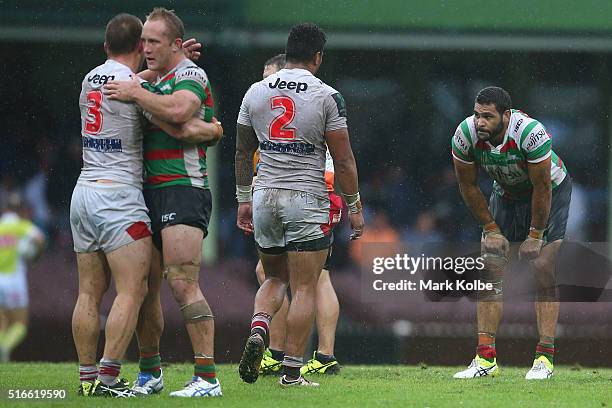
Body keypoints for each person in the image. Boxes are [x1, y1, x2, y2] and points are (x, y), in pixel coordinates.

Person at [73, 13, 220, 398]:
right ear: (138, 47)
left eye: (158, 41)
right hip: (125, 196)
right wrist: (214, 130)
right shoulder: (134, 85)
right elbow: (178, 122)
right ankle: (137, 374)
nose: (150, 48)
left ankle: (206, 377)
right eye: (147, 42)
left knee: (170, 284)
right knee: (138, 290)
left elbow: (174, 108)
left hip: (145, 190)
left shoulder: (93, 79)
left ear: (106, 47)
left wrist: (161, 71)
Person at [235, 23, 364, 387]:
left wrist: (243, 199)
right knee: (305, 287)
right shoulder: (328, 96)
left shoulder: (255, 91)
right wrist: (354, 205)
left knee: (274, 276)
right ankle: (292, 372)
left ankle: (260, 328)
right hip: (306, 198)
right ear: (318, 56)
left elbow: (243, 151)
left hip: (264, 195)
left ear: (287, 51)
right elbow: (344, 158)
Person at [451, 86, 571, 380]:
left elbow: (542, 188)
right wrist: (490, 228)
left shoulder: (531, 133)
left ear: (506, 116)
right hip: (505, 193)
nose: (480, 122)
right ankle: (485, 358)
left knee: (542, 265)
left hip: (550, 191)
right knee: (491, 267)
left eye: (488, 117)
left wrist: (535, 234)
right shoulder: (465, 135)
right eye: (477, 115)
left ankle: (544, 358)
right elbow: (467, 186)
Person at [253, 54, 342, 376]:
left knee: (291, 276)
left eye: (268, 76)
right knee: (313, 277)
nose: (264, 83)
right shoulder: (317, 100)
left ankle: (281, 351)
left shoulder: (287, 103)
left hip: (311, 192)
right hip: (315, 192)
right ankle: (322, 355)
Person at [0, 192, 45, 362]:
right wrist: (35, 255)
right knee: (20, 323)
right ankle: (5, 346)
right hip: (14, 280)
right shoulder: (21, 226)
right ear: (20, 210)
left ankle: (3, 359)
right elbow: (40, 239)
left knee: (2, 322)